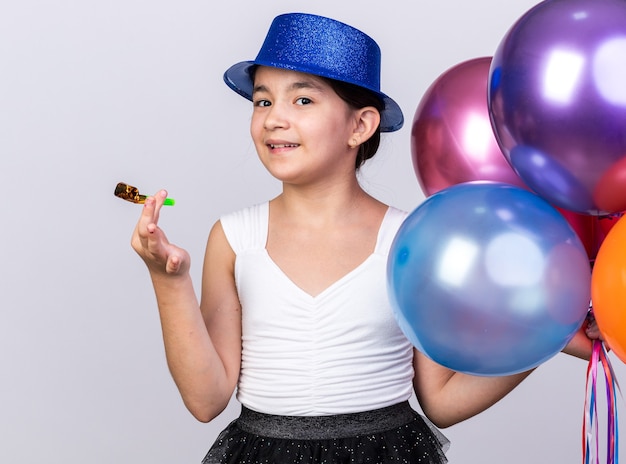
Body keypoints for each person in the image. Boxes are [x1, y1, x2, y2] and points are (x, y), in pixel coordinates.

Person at [131, 12, 599, 464]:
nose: (274, 118)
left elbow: (441, 401)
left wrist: (543, 335)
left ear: (360, 125)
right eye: (262, 100)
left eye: (303, 100)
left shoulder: (409, 238)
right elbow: (205, 399)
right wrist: (168, 280)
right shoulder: (234, 238)